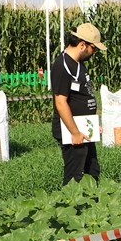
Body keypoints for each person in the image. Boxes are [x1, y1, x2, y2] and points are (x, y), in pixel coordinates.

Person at [50, 22, 107, 184]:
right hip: (72, 130)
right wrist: (75, 133)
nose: (94, 52)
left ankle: (93, 206)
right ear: (82, 45)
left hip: (84, 127)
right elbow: (60, 102)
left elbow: (82, 95)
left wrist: (93, 124)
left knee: (92, 170)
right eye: (93, 48)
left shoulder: (78, 64)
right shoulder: (63, 66)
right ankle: (70, 206)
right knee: (74, 175)